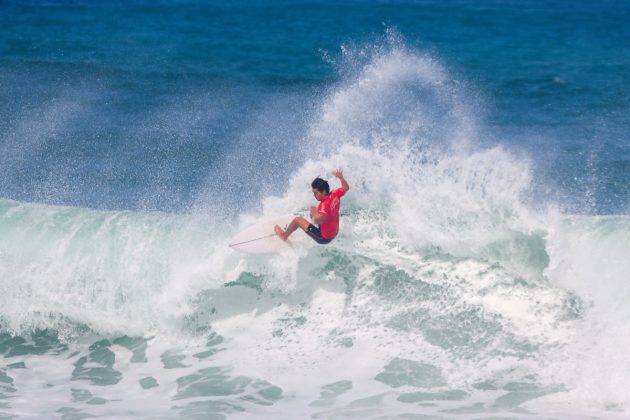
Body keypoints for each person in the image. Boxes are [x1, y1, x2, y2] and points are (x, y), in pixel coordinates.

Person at [274, 169, 350, 244]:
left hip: (324, 238)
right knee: (315, 211)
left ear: (323, 192)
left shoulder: (324, 205)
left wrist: (313, 213)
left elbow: (319, 220)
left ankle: (284, 236)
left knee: (297, 220)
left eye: (316, 193)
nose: (314, 195)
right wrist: (341, 178)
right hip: (335, 232)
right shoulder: (335, 193)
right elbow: (346, 187)